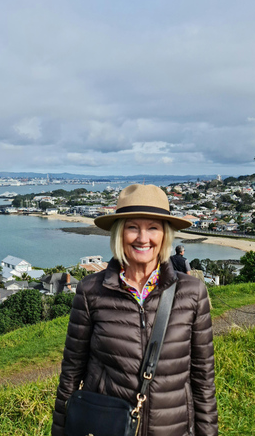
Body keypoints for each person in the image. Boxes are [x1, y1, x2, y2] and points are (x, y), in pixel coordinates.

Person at [52, 184, 217, 436]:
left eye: (153, 227)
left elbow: (203, 380)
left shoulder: (192, 293)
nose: (143, 238)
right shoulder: (90, 291)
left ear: (165, 235)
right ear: (119, 233)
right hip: (108, 427)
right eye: (132, 227)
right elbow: (71, 373)